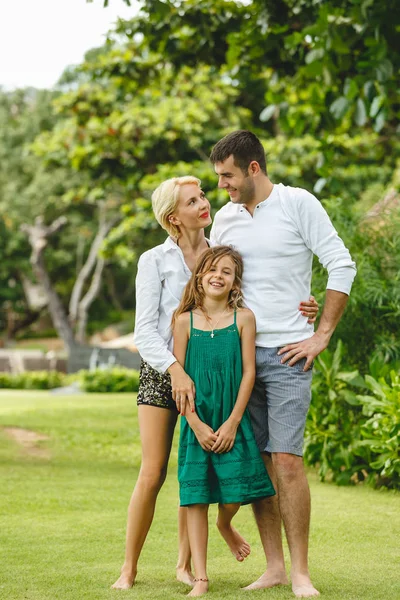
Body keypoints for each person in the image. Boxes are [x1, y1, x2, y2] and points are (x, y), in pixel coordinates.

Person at [112, 175, 319, 590]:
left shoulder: (222, 252)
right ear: (173, 217)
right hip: (163, 372)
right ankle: (128, 568)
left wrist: (305, 305)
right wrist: (175, 371)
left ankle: (185, 566)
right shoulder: (153, 260)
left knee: (201, 466)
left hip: (211, 376)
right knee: (152, 473)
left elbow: (255, 292)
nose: (205, 203)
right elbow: (145, 333)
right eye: (193, 200)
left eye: (203, 195)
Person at [209, 130, 357, 598]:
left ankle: (301, 573)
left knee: (288, 462)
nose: (223, 187)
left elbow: (341, 263)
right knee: (260, 464)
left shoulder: (298, 204)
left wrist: (322, 333)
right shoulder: (225, 221)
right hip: (240, 354)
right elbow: (217, 285)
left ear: (254, 168)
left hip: (290, 354)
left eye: (228, 176)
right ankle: (273, 567)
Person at [173, 245, 275, 597]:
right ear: (200, 276)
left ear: (235, 282)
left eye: (227, 271)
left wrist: (232, 422)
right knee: (195, 498)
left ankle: (225, 523)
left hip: (232, 420)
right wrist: (196, 423)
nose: (218, 275)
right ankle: (201, 577)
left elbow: (249, 374)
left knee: (236, 492)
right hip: (196, 422)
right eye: (212, 269)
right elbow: (179, 379)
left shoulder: (243, 318)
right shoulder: (183, 320)